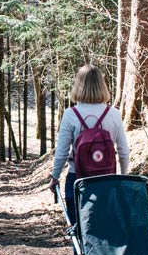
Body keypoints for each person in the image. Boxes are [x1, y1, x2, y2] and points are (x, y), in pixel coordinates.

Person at [47, 64, 130, 236]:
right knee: (104, 230)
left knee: (79, 231)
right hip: (106, 180)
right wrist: (123, 176)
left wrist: (55, 177)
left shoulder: (71, 114)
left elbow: (62, 151)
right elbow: (123, 151)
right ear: (102, 85)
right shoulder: (113, 114)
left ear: (78, 84)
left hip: (77, 179)